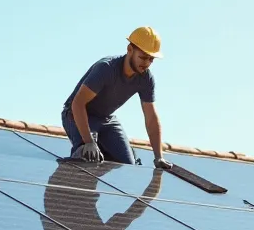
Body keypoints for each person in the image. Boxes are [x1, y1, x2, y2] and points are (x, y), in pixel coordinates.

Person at [61, 26, 173, 168]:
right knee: (89, 156)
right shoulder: (106, 68)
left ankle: (105, 152)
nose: (146, 63)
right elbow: (77, 104)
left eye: (151, 59)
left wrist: (159, 157)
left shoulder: (146, 79)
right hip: (76, 114)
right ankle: (82, 156)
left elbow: (151, 118)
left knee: (128, 165)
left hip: (106, 119)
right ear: (130, 50)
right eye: (143, 57)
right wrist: (88, 141)